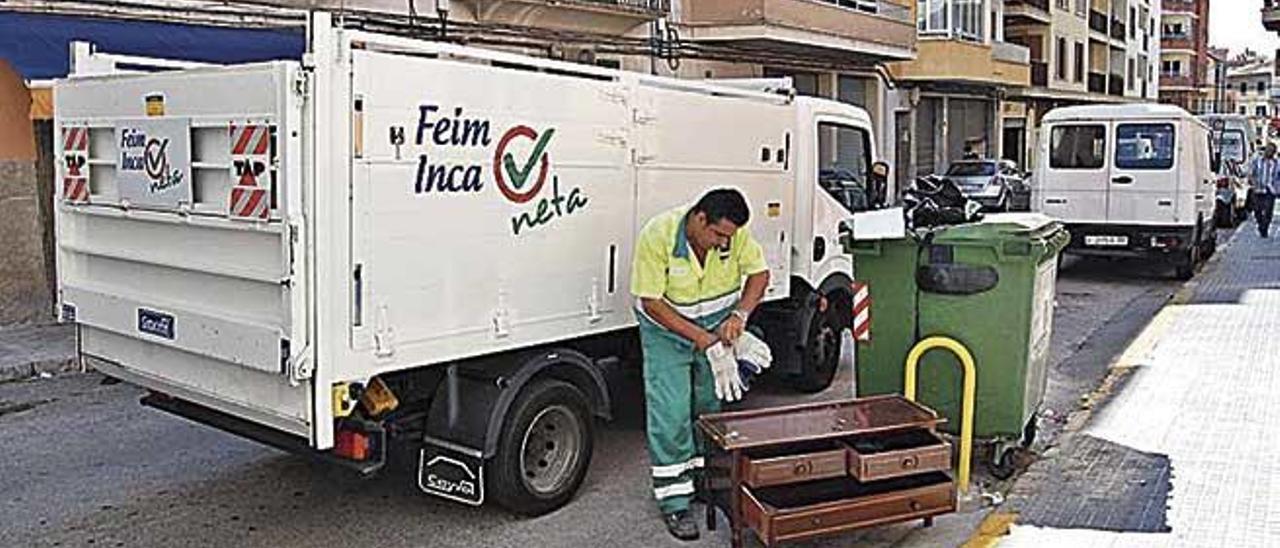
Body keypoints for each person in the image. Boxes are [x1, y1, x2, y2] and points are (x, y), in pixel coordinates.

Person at [630, 188, 770, 541]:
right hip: (667, 333)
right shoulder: (658, 234)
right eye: (718, 235)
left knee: (709, 409)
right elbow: (651, 303)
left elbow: (759, 275)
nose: (724, 243)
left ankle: (704, 480)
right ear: (699, 218)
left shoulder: (732, 235)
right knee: (672, 411)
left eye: (729, 237)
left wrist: (740, 316)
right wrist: (702, 339)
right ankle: (674, 501)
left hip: (716, 329)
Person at [1248, 143, 1280, 238]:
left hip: (1270, 189)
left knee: (1268, 211)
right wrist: (1252, 182)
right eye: (1268, 150)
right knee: (1257, 210)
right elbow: (1251, 172)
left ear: (1274, 152)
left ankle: (1264, 229)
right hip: (1258, 188)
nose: (1269, 152)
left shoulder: (1277, 163)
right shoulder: (1257, 160)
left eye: (1272, 151)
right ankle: (1260, 224)